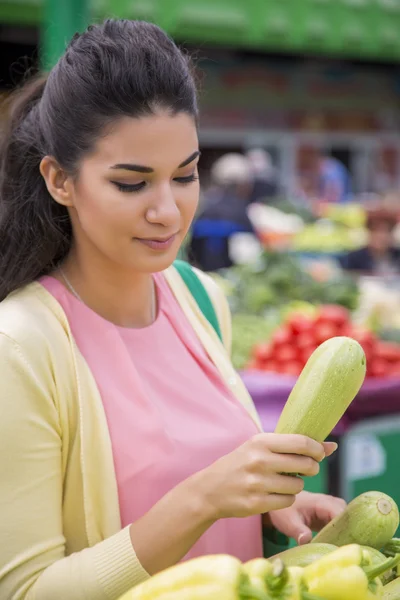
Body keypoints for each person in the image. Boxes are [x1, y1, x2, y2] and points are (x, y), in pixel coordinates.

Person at [0, 19, 345, 600]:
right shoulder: (21, 345)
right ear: (60, 179)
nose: (168, 210)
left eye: (185, 175)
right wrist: (204, 499)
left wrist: (260, 511)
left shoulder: (201, 299)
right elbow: (26, 590)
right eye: (132, 184)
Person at [188, 152, 255, 271]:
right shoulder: (241, 214)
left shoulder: (205, 210)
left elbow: (192, 250)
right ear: (243, 185)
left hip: (205, 274)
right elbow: (251, 256)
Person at [340, 208, 400, 275]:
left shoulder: (397, 255)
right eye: (376, 231)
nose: (381, 236)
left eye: (386, 231)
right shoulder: (354, 258)